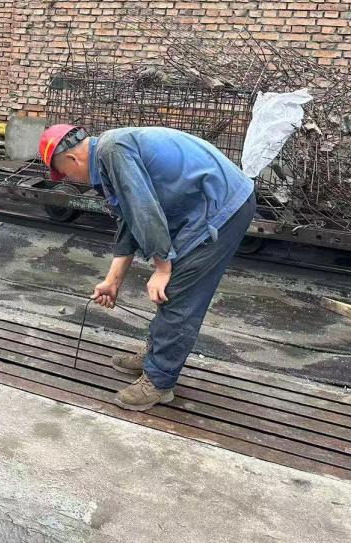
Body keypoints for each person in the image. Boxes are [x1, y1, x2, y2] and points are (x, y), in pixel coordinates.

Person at [39, 124, 255, 411]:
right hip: (207, 200)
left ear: (71, 159)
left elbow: (144, 210)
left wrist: (163, 268)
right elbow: (129, 218)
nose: (70, 179)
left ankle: (159, 381)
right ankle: (155, 355)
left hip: (222, 207)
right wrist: (113, 280)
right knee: (172, 288)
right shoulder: (107, 153)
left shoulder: (112, 151)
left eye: (65, 173)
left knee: (177, 292)